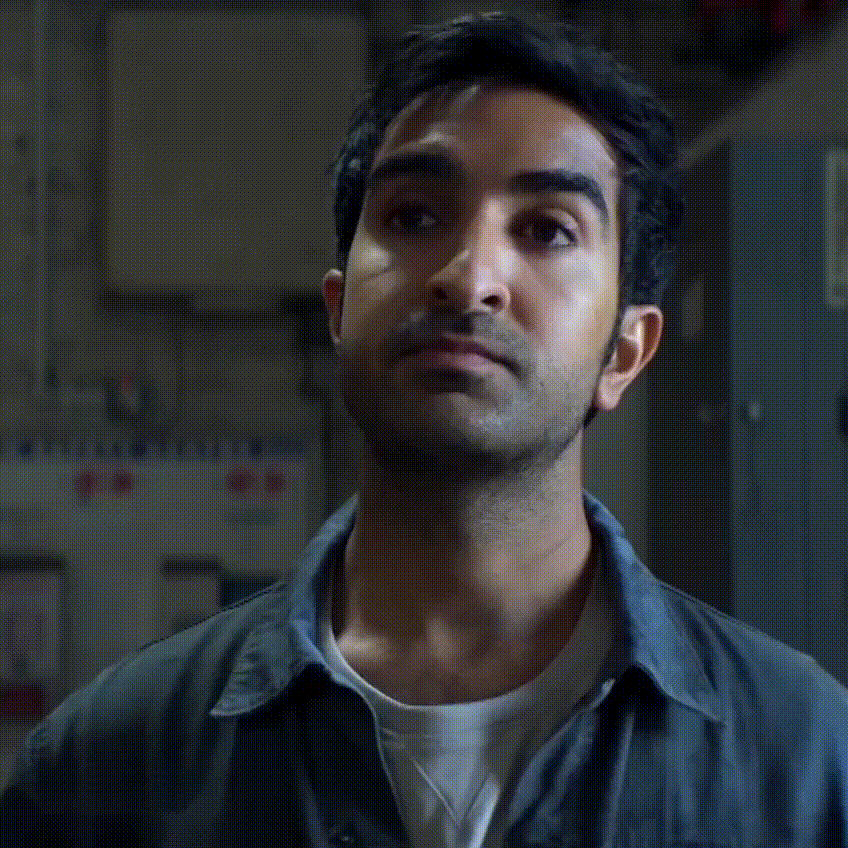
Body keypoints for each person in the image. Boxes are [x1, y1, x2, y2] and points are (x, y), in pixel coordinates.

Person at [2, 11, 847, 848]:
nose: (469, 278)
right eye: (413, 217)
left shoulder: (807, 765)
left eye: (547, 230)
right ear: (340, 310)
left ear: (625, 352)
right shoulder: (104, 772)